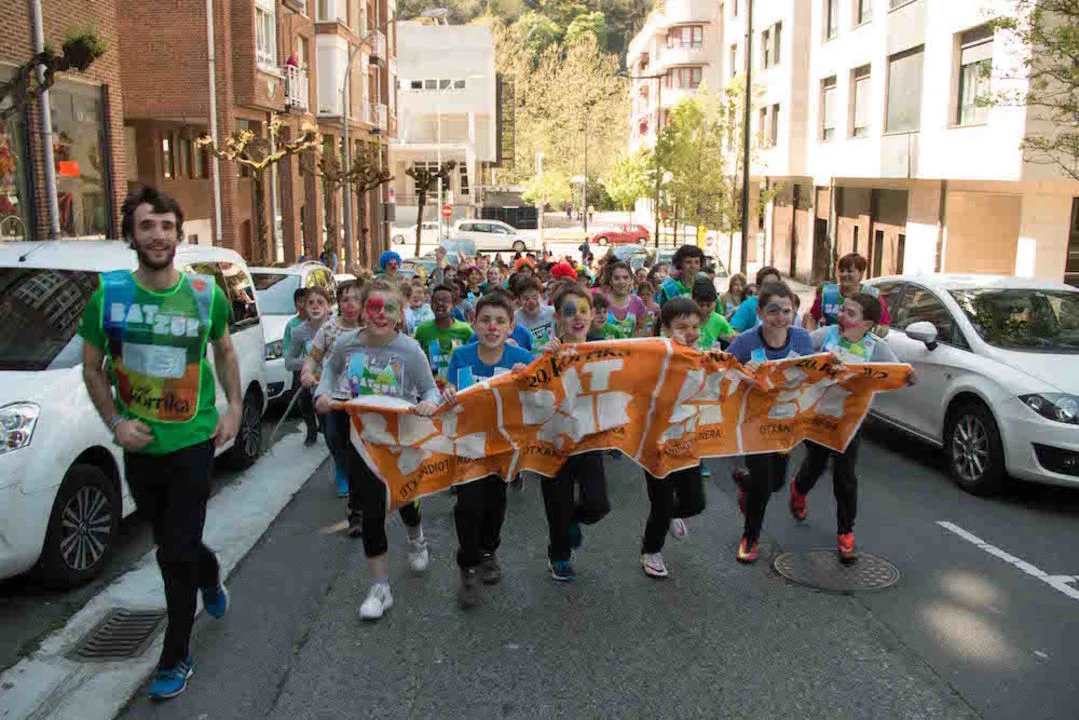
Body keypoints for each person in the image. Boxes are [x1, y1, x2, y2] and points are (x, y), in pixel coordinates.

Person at [78, 186, 240, 700]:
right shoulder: (109, 297)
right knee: (172, 543)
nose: (158, 235)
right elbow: (91, 368)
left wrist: (234, 409)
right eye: (147, 225)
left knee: (174, 553)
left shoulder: (205, 294)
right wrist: (115, 424)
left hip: (193, 440)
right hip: (141, 446)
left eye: (167, 226)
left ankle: (176, 657)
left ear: (178, 234)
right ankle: (209, 572)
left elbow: (225, 352)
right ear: (131, 234)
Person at [314, 279, 440, 621]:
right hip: (362, 440)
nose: (381, 314)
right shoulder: (346, 344)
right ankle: (380, 587)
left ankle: (415, 535)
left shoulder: (410, 350)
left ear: (400, 313)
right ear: (362, 311)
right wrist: (322, 394)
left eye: (389, 308)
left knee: (403, 500)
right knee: (371, 511)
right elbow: (329, 372)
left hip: (400, 441)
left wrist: (428, 403)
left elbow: (430, 389)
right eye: (373, 307)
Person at [789, 293, 914, 563]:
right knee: (816, 464)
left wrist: (908, 376)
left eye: (850, 313)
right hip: (818, 416)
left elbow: (897, 371)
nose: (841, 316)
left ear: (867, 324)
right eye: (843, 310)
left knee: (845, 476)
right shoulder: (827, 335)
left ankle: (845, 532)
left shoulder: (876, 347)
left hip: (849, 421)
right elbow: (799, 350)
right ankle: (799, 490)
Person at [441, 293, 534, 607]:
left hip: (504, 447)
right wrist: (448, 392)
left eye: (499, 321)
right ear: (474, 323)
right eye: (485, 320)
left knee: (495, 503)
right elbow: (450, 391)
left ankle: (488, 550)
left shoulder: (521, 357)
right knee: (468, 506)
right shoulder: (461, 356)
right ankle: (467, 565)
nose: (492, 327)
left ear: (510, 327)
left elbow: (540, 399)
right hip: (468, 444)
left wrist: (528, 380)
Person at [725, 282, 814, 563]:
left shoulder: (802, 340)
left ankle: (746, 482)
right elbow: (722, 377)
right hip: (753, 423)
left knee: (775, 483)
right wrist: (741, 371)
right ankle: (750, 538)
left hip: (785, 424)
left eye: (786, 311)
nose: (780, 317)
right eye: (773, 311)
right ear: (761, 313)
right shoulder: (745, 342)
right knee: (764, 483)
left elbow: (813, 376)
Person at [539, 284, 611, 581]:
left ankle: (573, 520)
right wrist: (544, 361)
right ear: (558, 317)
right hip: (552, 442)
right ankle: (559, 555)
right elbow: (530, 391)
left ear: (593, 314)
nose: (577, 317)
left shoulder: (604, 349)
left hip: (589, 439)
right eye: (570, 312)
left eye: (583, 310)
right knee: (558, 505)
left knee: (597, 504)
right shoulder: (547, 353)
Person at [641, 296, 708, 578]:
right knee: (662, 502)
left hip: (688, 441)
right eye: (682, 327)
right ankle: (651, 551)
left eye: (695, 327)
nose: (690, 333)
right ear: (666, 329)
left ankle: (670, 516)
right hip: (653, 442)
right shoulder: (651, 356)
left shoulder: (704, 355)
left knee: (695, 503)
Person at [301, 281, 364, 504]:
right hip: (333, 396)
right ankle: (342, 469)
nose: (350, 304)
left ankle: (361, 476)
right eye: (345, 299)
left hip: (363, 396)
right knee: (334, 437)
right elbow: (313, 357)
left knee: (360, 440)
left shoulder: (371, 327)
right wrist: (306, 373)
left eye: (356, 299)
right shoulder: (328, 329)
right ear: (338, 303)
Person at [285, 287, 332, 450]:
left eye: (320, 302)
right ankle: (312, 431)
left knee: (332, 430)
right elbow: (289, 362)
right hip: (312, 385)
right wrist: (310, 362)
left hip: (335, 386)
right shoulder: (298, 332)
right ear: (305, 307)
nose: (315, 306)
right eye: (310, 303)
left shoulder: (336, 327)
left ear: (328, 305)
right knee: (308, 407)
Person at [805, 253, 891, 332]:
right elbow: (812, 317)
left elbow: (884, 326)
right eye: (842, 271)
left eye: (850, 271)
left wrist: (870, 334)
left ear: (861, 274)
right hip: (829, 341)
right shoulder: (827, 294)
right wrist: (812, 334)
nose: (844, 275)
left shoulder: (872, 295)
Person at [414, 284, 475, 389]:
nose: (440, 304)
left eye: (445, 300)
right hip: (431, 389)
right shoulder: (423, 330)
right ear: (431, 305)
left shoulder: (465, 330)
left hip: (459, 389)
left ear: (454, 305)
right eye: (436, 301)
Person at [729, 265, 783, 333]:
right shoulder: (747, 306)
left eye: (775, 285)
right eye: (767, 285)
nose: (771, 288)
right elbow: (734, 333)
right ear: (758, 288)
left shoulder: (785, 305)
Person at [513, 275, 556, 357]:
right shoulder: (514, 319)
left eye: (535, 297)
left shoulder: (552, 313)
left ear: (541, 296)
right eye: (526, 298)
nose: (531, 302)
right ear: (519, 300)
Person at [605, 261, 649, 338]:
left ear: (631, 280)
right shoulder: (602, 301)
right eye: (616, 278)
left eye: (625, 278)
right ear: (610, 281)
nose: (621, 282)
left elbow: (642, 328)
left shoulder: (637, 302)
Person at [693, 277, 735, 351]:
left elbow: (734, 341)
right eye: (700, 305)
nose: (704, 309)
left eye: (708, 305)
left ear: (715, 302)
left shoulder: (720, 321)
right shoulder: (686, 319)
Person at [282, 288, 307, 358]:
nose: (302, 305)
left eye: (305, 301)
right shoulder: (291, 325)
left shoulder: (316, 322)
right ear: (295, 304)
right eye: (300, 301)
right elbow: (286, 348)